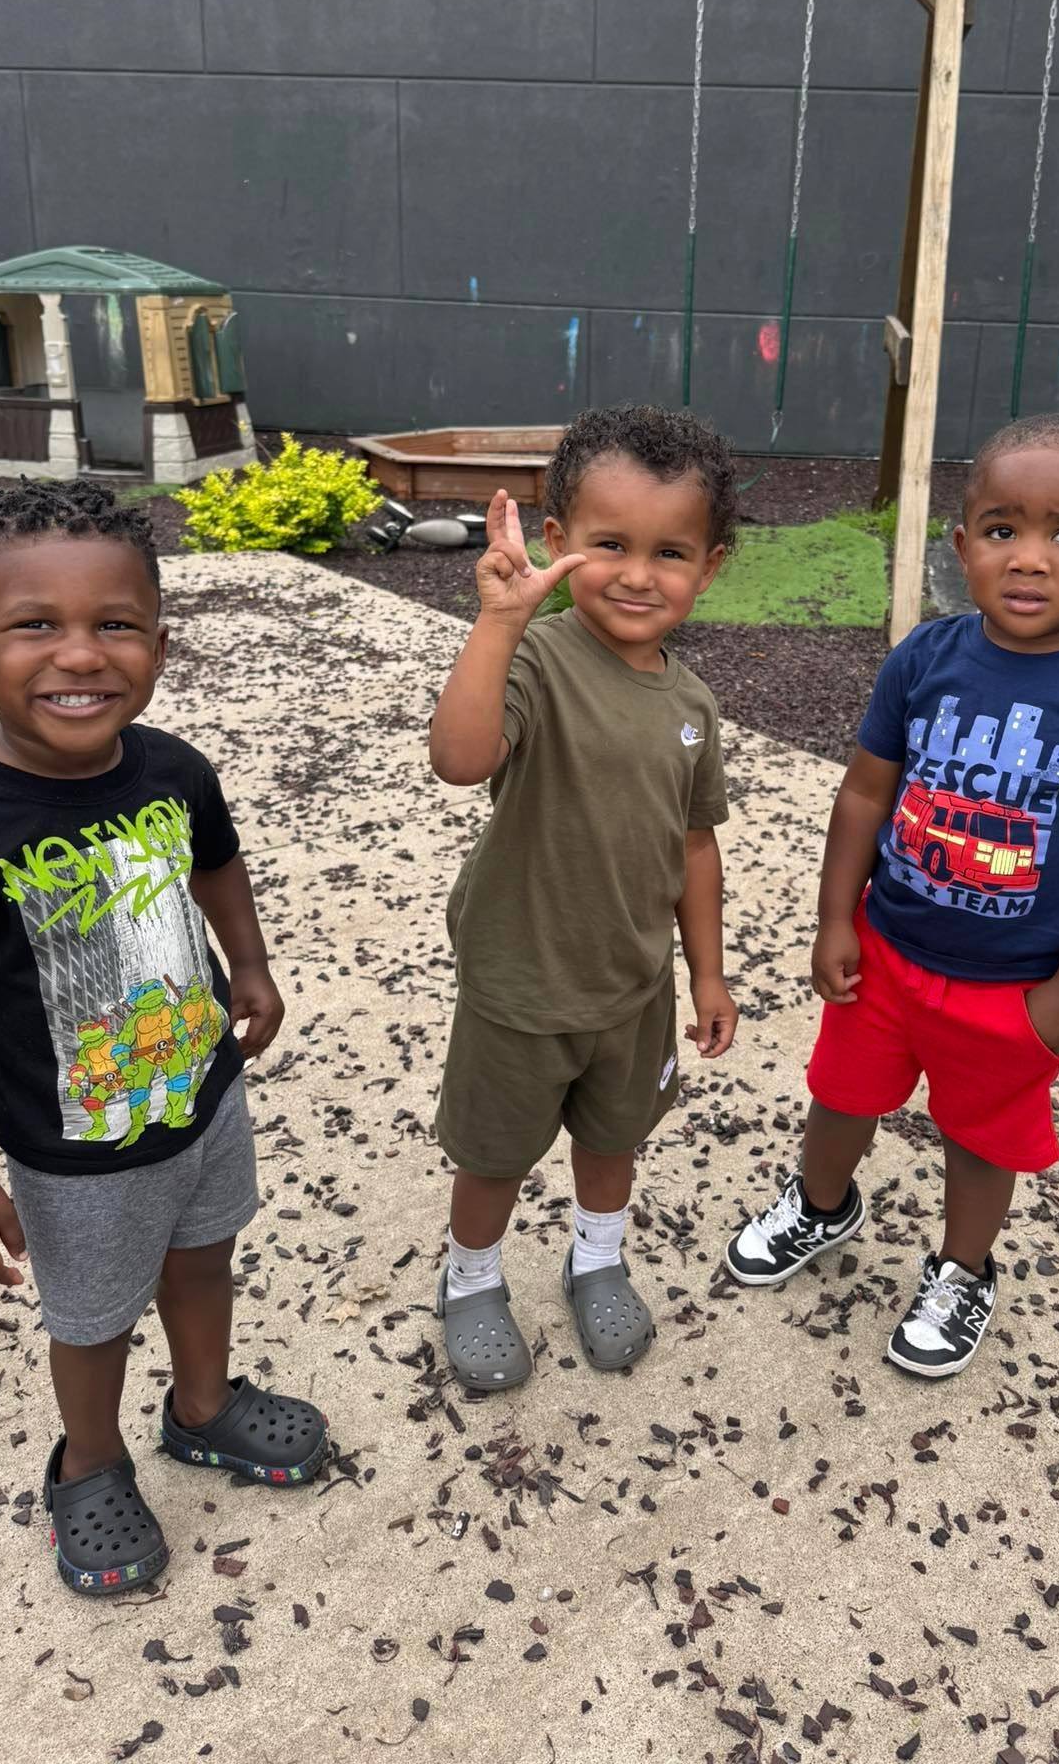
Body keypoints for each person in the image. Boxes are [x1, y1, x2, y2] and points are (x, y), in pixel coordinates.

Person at [0, 481, 327, 1597]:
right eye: (35, 623)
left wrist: (254, 962)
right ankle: (88, 1460)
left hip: (204, 1098)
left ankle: (204, 1406)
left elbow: (214, 862)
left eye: (115, 623)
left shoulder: (175, 770)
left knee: (204, 1261)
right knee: (91, 1318)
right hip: (76, 1151)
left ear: (159, 642)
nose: (79, 654)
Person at [724, 413, 1059, 1378]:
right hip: (887, 953)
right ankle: (820, 1206)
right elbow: (864, 792)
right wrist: (834, 918)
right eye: (1003, 528)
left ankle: (963, 1267)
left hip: (1012, 987)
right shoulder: (923, 660)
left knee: (982, 1137)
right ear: (963, 542)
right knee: (840, 1094)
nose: (1030, 558)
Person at [429, 406, 739, 1389]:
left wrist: (708, 974)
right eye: (611, 544)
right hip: (522, 980)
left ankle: (596, 1258)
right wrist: (499, 621)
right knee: (495, 1152)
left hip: (633, 986)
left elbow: (696, 846)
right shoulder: (535, 659)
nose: (640, 573)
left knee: (614, 1139)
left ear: (711, 566)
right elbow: (459, 756)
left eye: (671, 551)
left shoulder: (692, 705)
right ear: (559, 543)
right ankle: (471, 1275)